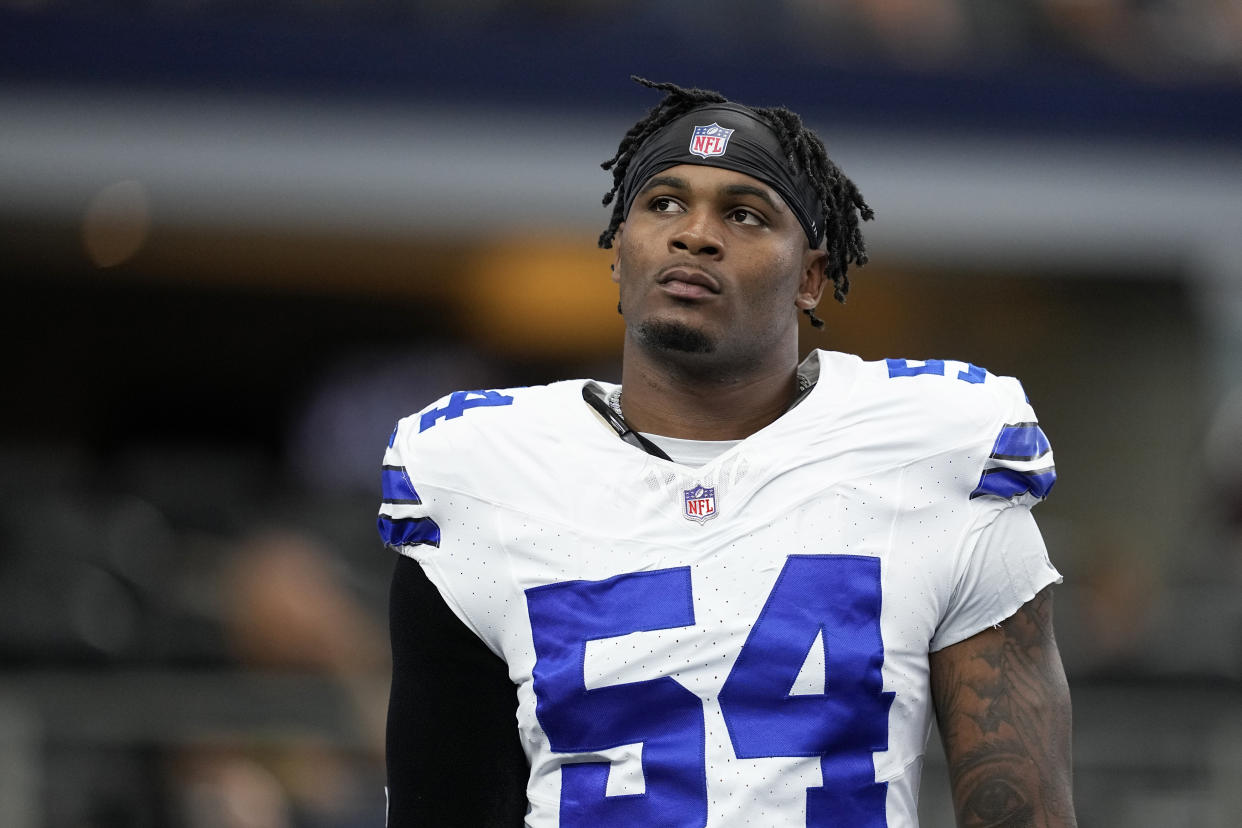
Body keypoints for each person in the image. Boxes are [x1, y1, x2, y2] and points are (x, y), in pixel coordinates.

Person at [378, 77, 1076, 827]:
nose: (695, 234)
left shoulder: (935, 448)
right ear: (618, 253)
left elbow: (1020, 807)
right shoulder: (484, 471)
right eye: (664, 203)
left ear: (810, 276)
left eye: (744, 214)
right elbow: (442, 801)